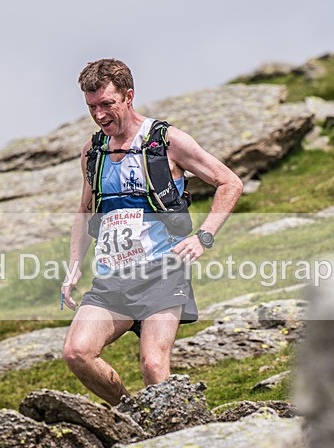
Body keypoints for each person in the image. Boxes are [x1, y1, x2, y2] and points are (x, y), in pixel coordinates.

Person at [60, 58, 243, 405]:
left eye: (107, 104)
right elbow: (85, 212)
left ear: (129, 96)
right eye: (91, 107)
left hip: (162, 273)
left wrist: (203, 236)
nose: (99, 115)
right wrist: (73, 267)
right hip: (111, 277)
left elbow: (229, 183)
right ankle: (130, 417)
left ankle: (175, 436)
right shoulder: (93, 152)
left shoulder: (166, 141)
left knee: (154, 365)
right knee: (76, 351)